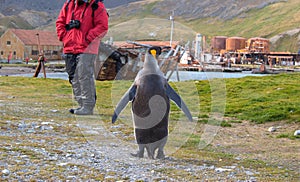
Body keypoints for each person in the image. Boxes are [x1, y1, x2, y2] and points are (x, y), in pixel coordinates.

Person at [56, 0, 109, 115]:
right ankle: (81, 105)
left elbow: (103, 26)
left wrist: (87, 38)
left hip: (87, 48)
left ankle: (88, 106)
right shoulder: (69, 4)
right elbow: (60, 22)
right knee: (73, 76)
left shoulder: (96, 6)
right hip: (69, 46)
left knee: (84, 75)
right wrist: (64, 36)